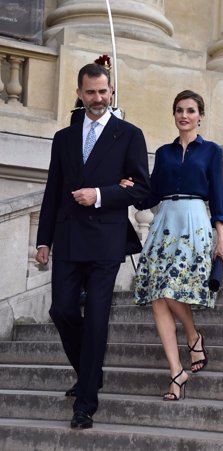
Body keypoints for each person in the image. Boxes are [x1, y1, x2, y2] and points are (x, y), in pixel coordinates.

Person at [35, 62, 150, 429]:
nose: (97, 98)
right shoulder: (63, 137)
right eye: (90, 92)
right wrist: (43, 240)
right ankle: (90, 371)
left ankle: (85, 402)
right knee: (62, 311)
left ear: (111, 91)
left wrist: (100, 194)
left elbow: (143, 190)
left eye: (103, 91)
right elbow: (53, 191)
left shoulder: (129, 134)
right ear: (80, 93)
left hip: (105, 240)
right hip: (68, 238)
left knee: (98, 318)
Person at [122, 90, 223, 401]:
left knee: (169, 290)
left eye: (191, 110)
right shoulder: (164, 152)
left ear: (200, 116)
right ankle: (176, 372)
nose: (185, 115)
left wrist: (220, 239)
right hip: (164, 225)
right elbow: (151, 196)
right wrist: (130, 189)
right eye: (180, 110)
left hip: (195, 222)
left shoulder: (210, 151)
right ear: (174, 115)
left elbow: (218, 199)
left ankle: (194, 335)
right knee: (159, 296)